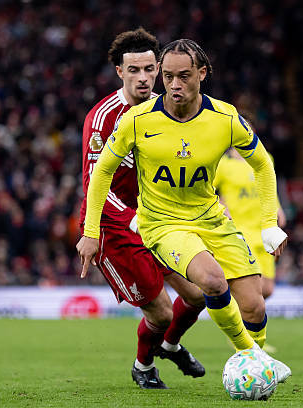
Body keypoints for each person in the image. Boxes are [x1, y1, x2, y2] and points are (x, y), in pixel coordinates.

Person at [77, 38, 291, 382]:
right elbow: (99, 174)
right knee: (206, 284)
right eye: (168, 76)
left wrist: (269, 223)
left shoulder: (224, 117)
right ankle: (251, 359)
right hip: (157, 223)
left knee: (252, 305)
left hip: (210, 219)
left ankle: (187, 348)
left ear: (202, 73)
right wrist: (91, 232)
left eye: (183, 76)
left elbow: (263, 164)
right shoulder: (134, 120)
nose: (174, 84)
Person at [79, 29, 206, 389]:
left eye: (150, 69)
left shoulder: (166, 110)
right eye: (134, 70)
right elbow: (95, 184)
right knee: (162, 311)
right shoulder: (103, 118)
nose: (144, 78)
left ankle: (169, 345)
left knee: (199, 294)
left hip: (156, 219)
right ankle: (144, 366)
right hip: (115, 225)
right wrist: (94, 232)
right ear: (120, 71)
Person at [214, 147, 288, 300]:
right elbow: (207, 190)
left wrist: (278, 208)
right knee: (252, 286)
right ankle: (235, 308)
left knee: (267, 289)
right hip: (240, 231)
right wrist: (220, 205)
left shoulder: (265, 157)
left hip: (264, 230)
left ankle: (235, 303)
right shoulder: (223, 164)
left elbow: (269, 186)